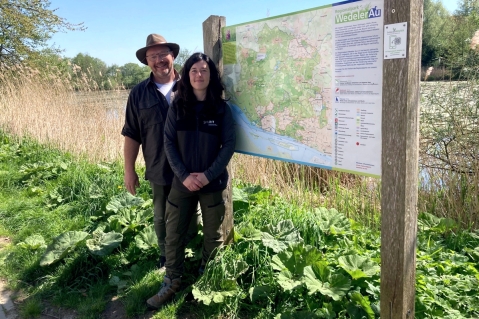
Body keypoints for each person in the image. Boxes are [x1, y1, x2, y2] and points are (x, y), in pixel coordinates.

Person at [146, 52, 236, 309]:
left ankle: (206, 280)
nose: (199, 75)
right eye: (194, 70)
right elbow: (168, 143)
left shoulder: (221, 109)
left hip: (213, 183)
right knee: (173, 233)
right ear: (186, 75)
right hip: (181, 183)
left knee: (213, 236)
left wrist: (208, 175)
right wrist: (184, 176)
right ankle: (172, 280)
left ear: (211, 75)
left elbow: (228, 145)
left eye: (204, 70)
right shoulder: (177, 107)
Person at [121, 34, 199, 272]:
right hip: (158, 166)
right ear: (146, 61)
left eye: (163, 54)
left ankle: (190, 252)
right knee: (161, 217)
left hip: (190, 166)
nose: (159, 60)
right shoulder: (138, 94)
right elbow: (132, 134)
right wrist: (129, 171)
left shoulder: (191, 85)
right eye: (152, 56)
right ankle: (167, 257)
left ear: (172, 56)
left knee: (191, 215)